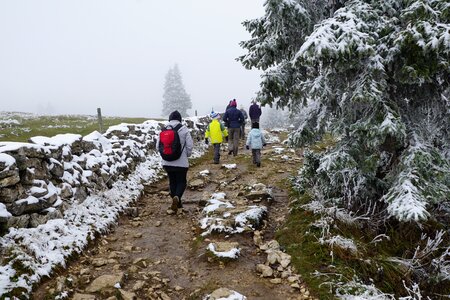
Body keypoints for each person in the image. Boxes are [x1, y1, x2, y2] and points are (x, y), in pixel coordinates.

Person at [157, 110, 193, 214]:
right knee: (181, 182)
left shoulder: (164, 130)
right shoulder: (184, 129)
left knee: (172, 182)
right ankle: (177, 197)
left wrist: (165, 155)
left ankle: (178, 204)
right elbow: (189, 145)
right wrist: (187, 155)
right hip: (181, 163)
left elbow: (157, 146)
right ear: (180, 119)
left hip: (167, 162)